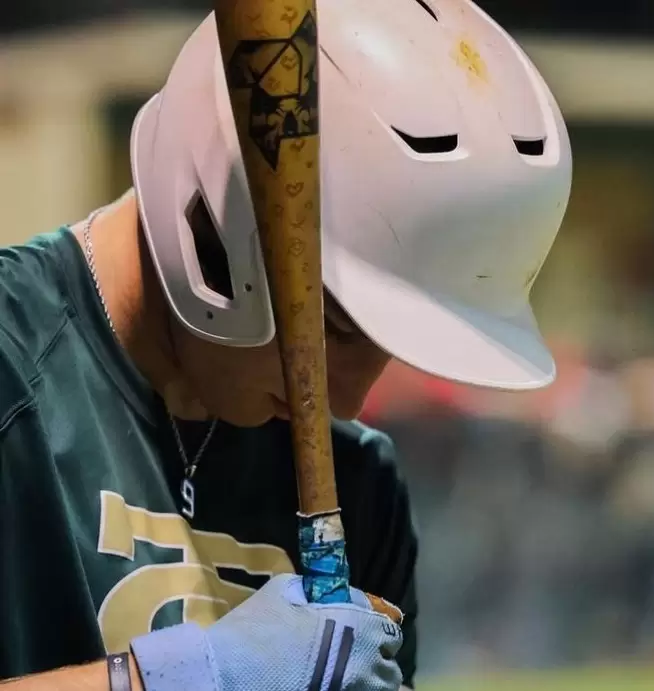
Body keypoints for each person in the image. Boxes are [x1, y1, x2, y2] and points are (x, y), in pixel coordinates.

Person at [0, 0, 572, 688]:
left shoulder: (361, 483)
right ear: (215, 227)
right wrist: (190, 677)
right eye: (336, 327)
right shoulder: (13, 360)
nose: (349, 403)